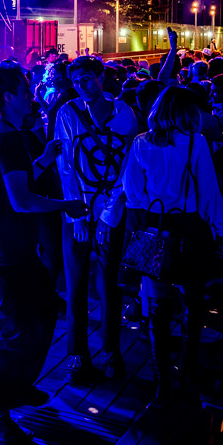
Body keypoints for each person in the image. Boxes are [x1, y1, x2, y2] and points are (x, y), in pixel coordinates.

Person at [0, 62, 85, 445]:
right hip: (7, 252)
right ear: (8, 97)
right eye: (25, 90)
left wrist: (42, 161)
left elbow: (16, 182)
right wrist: (66, 205)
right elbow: (22, 201)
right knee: (16, 333)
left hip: (11, 249)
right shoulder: (6, 137)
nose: (31, 95)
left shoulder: (4, 133)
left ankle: (18, 387)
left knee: (42, 313)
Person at [99, 84, 223, 405]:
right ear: (188, 112)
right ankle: (189, 370)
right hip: (189, 229)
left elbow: (132, 191)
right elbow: (209, 192)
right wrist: (220, 230)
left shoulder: (141, 143)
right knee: (192, 302)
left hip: (155, 228)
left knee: (158, 308)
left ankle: (161, 383)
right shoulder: (196, 142)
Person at [55, 55, 139, 378]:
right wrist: (77, 214)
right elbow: (65, 167)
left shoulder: (124, 113)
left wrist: (108, 213)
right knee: (76, 283)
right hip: (78, 210)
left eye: (87, 79)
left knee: (110, 284)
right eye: (77, 82)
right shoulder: (68, 113)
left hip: (111, 210)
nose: (82, 87)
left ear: (101, 77)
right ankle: (77, 353)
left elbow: (128, 167)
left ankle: (111, 350)